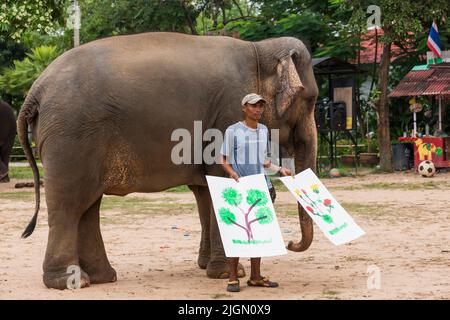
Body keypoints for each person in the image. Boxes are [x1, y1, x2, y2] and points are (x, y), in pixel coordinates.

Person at [220, 93, 292, 292]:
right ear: (244, 108)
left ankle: (256, 276)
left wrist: (279, 169)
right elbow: (223, 159)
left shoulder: (263, 130)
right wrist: (232, 173)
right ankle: (233, 277)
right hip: (239, 188)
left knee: (258, 232)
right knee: (237, 231)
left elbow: (263, 160)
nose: (258, 109)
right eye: (253, 105)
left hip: (262, 188)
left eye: (261, 105)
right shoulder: (233, 131)